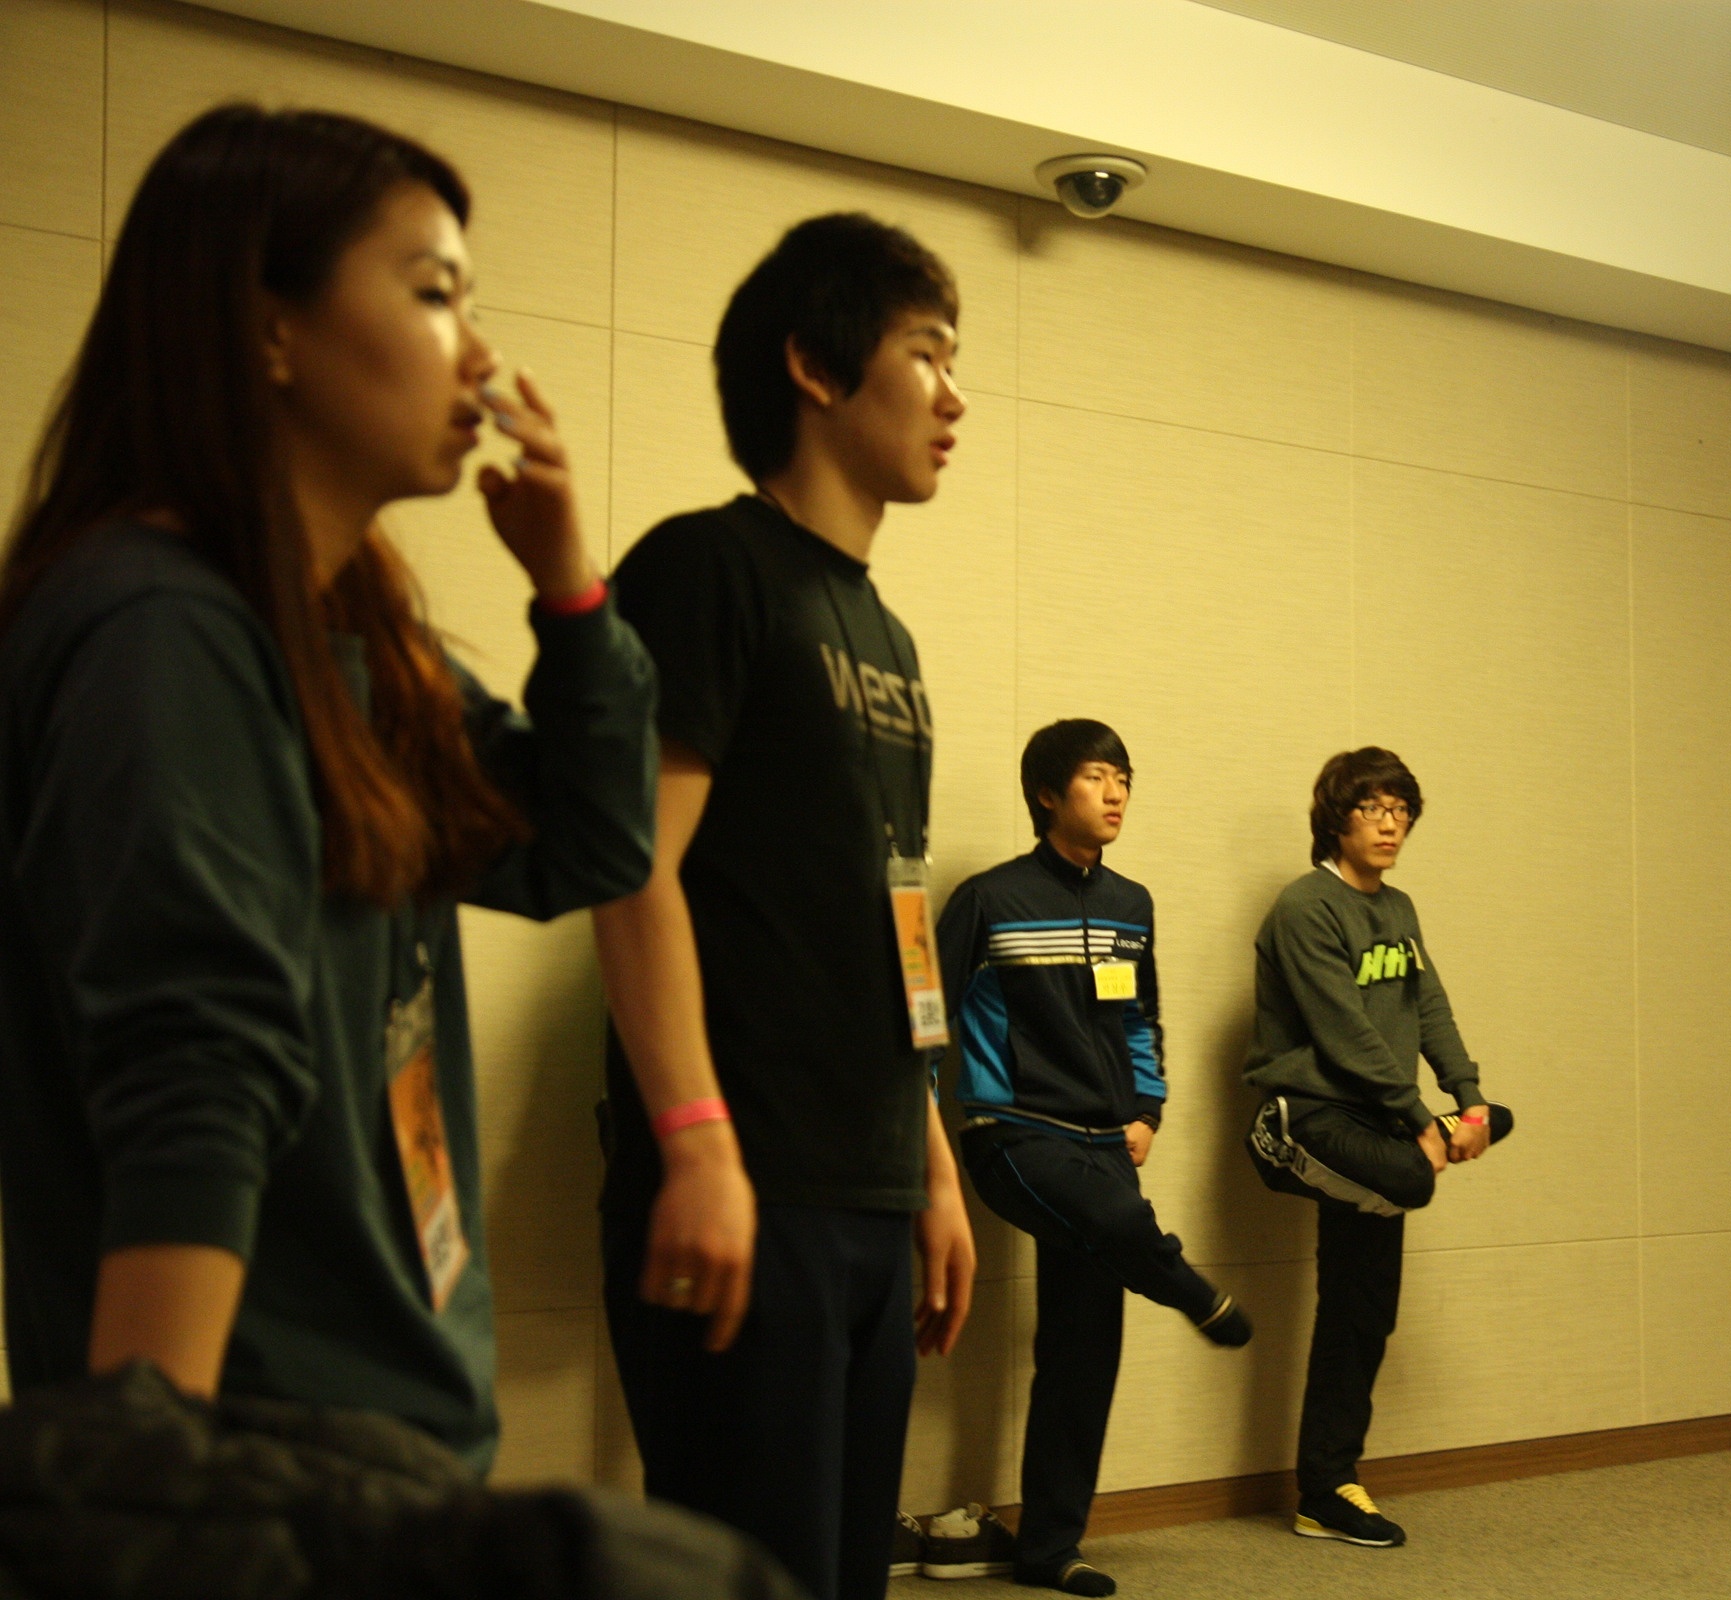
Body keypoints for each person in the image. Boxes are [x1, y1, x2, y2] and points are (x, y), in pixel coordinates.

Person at [0, 105, 658, 1468]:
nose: (480, 357)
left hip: (393, 1417)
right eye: (433, 293)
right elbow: (193, 1089)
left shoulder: (351, 632)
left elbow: (583, 844)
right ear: (269, 330)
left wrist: (571, 592)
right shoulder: (161, 631)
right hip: (257, 1459)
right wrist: (142, 1502)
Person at [592, 212, 976, 1599]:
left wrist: (933, 1167)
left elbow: (896, 911)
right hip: (742, 1192)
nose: (954, 395)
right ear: (815, 365)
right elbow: (632, 869)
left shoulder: (890, 636)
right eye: (926, 352)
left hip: (871, 1194)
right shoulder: (703, 570)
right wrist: (697, 1149)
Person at [936, 720, 1251, 1598]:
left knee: (1082, 1353)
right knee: (1122, 1222)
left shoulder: (1129, 903)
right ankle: (1190, 1289)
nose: (1116, 794)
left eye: (1124, 778)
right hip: (1012, 1132)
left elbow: (1139, 1016)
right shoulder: (988, 898)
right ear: (1047, 794)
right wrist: (922, 1124)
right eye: (1096, 777)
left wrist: (1146, 1109)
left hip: (1106, 1140)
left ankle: (1049, 1549)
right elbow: (924, 1017)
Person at [1244, 747, 1512, 1549]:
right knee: (1413, 1180)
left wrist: (1468, 1100)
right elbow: (1344, 1032)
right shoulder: (1306, 906)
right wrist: (1423, 1122)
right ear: (1337, 817)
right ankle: (1347, 1147)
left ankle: (1327, 1487)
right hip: (1312, 1114)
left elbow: (1428, 1006)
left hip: (1381, 1123)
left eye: (1400, 810)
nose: (1389, 824)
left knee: (1363, 1310)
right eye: (1372, 809)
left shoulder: (1399, 909)